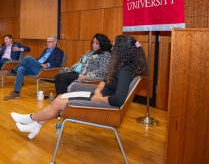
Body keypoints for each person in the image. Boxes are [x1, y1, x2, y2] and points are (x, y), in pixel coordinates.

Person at [10, 35, 148, 139]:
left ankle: (30, 119)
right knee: (60, 96)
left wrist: (98, 98)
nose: (112, 48)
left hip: (103, 105)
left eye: (115, 46)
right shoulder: (120, 66)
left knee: (58, 102)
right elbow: (105, 80)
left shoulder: (126, 71)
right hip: (97, 95)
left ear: (122, 50)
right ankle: (35, 126)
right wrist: (98, 91)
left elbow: (118, 100)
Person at [1, 35, 64, 100]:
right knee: (21, 68)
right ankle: (16, 92)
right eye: (47, 42)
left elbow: (58, 63)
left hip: (44, 70)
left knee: (28, 57)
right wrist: (32, 63)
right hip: (37, 67)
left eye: (49, 42)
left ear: (55, 42)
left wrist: (48, 64)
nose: (47, 43)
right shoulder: (45, 50)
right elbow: (39, 59)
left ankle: (12, 71)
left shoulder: (59, 52)